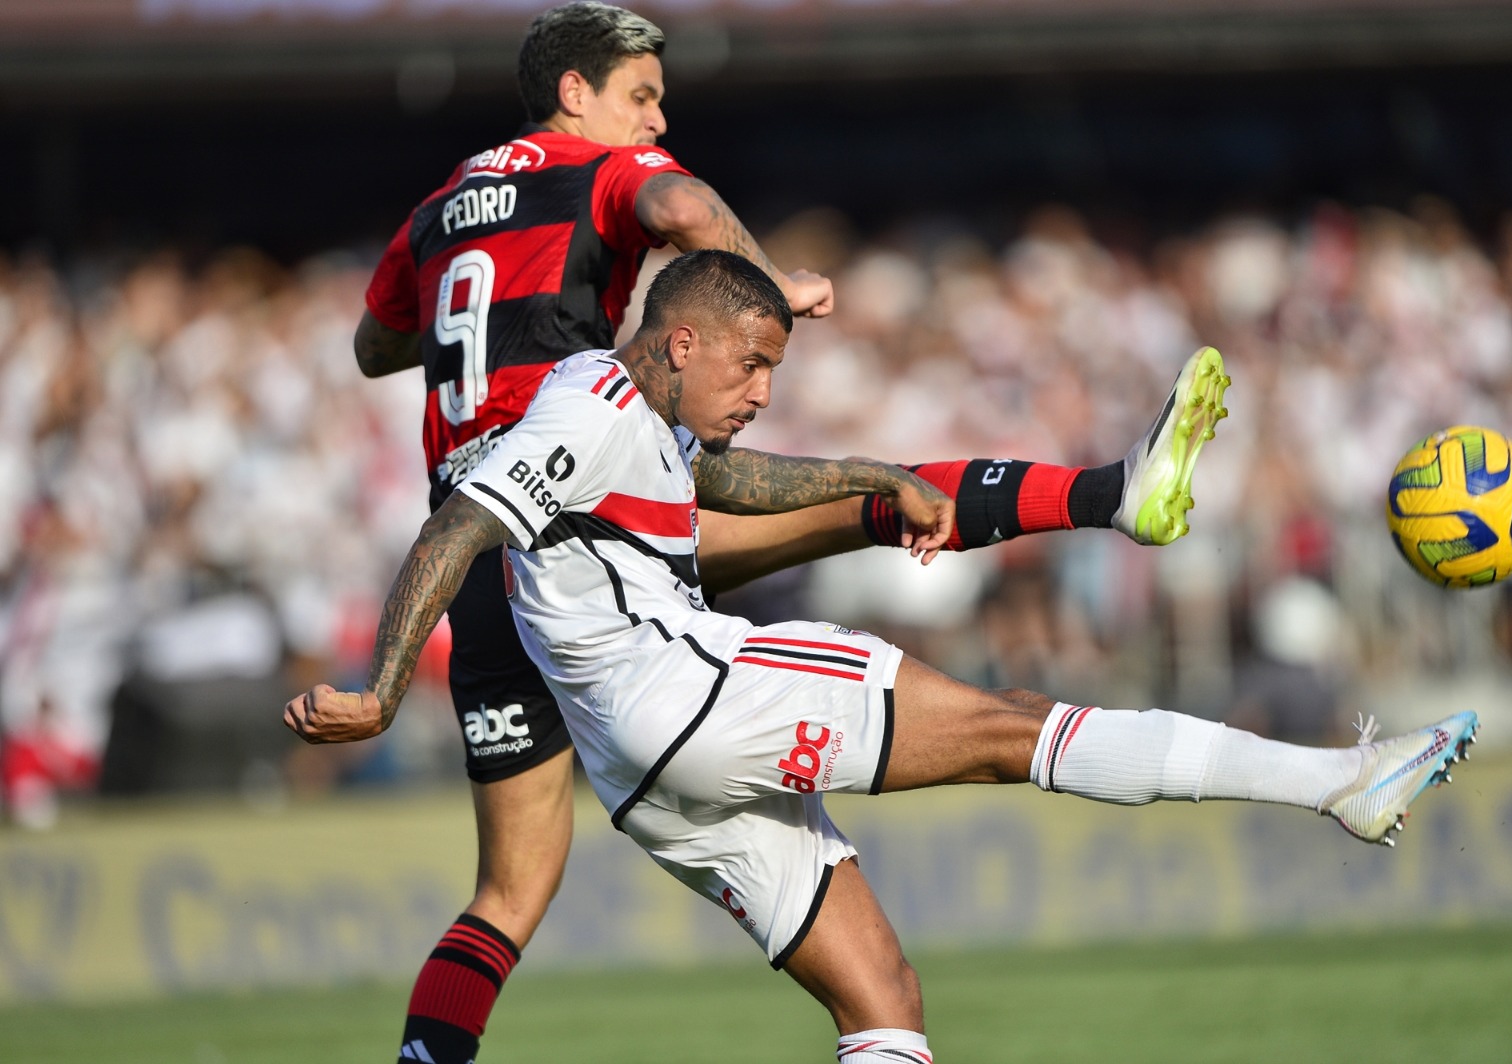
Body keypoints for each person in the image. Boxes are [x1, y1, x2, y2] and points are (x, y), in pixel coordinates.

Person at [289, 250, 1478, 1063]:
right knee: (1017, 726)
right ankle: (1337, 785)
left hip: (649, 778)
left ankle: (1330, 774)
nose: (761, 389)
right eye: (748, 364)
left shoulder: (643, 419)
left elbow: (723, 482)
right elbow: (459, 521)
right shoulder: (584, 406)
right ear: (680, 336)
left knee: (882, 1003)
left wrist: (872, 474)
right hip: (698, 697)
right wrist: (383, 689)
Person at [355, 5, 1216, 1061]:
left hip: (484, 550)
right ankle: (1106, 496)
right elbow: (682, 200)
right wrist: (774, 288)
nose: (656, 117)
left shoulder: (438, 207)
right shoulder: (597, 172)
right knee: (847, 502)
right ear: (575, 96)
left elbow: (374, 340)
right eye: (642, 96)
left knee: (505, 893)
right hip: (589, 507)